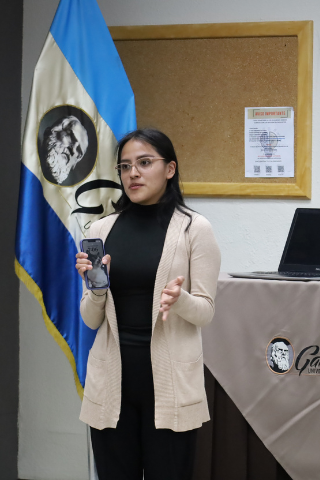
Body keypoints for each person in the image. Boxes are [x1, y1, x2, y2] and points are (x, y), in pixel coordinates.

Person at [75, 128, 221, 480]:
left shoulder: (194, 229)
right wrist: (96, 290)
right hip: (112, 383)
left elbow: (205, 312)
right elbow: (91, 320)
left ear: (170, 169)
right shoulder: (100, 230)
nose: (133, 174)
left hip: (170, 385)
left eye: (144, 163)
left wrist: (180, 300)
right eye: (125, 166)